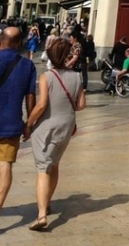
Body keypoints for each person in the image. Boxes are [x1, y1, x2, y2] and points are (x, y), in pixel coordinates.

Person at [24, 36, 86, 231]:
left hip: (47, 127)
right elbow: (81, 105)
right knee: (55, 164)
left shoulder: (47, 76)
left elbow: (41, 105)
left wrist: (29, 123)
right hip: (66, 126)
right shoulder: (77, 77)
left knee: (43, 168)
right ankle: (48, 202)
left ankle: (42, 214)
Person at [0, 26, 38, 213]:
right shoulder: (27, 65)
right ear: (19, 43)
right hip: (11, 123)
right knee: (5, 165)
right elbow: (31, 97)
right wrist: (29, 124)